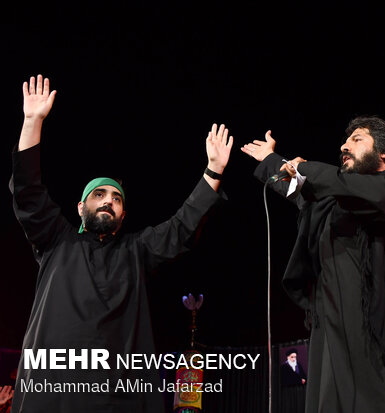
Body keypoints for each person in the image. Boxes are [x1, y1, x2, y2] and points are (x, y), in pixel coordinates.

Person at [9, 75, 232, 412]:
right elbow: (27, 191)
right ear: (81, 207)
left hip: (116, 395)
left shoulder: (135, 251)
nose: (107, 201)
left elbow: (181, 228)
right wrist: (32, 121)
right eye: (99, 195)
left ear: (124, 214)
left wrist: (213, 171)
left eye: (115, 198)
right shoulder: (56, 239)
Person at [242, 116, 385, 412]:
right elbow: (302, 192)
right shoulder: (334, 201)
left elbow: (345, 187)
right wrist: (271, 160)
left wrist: (303, 167)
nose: (344, 146)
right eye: (345, 141)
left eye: (357, 139)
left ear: (384, 152)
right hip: (335, 344)